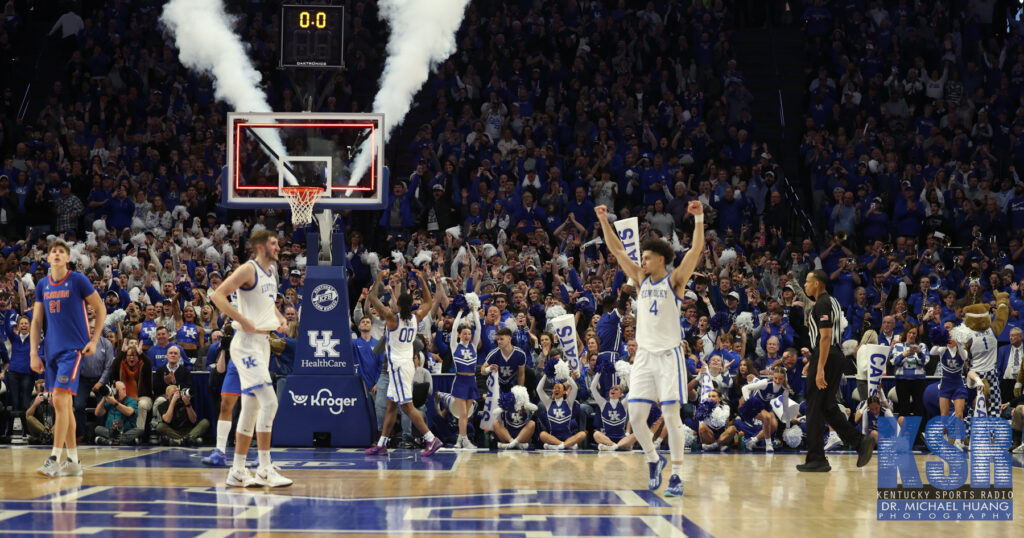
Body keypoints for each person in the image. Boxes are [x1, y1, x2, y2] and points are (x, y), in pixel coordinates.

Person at [595, 200, 704, 497]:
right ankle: (654, 460)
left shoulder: (676, 280)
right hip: (643, 356)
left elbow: (695, 252)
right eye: (641, 257)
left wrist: (698, 219)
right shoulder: (641, 281)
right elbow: (617, 250)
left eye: (646, 257)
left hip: (669, 357)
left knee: (671, 416)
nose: (641, 261)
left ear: (660, 259)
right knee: (636, 417)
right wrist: (604, 221)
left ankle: (678, 476)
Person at [210, 229, 292, 488]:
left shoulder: (272, 273)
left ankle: (237, 470)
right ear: (260, 247)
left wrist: (279, 317)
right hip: (245, 345)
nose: (278, 247)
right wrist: (240, 318)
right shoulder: (249, 269)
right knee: (270, 402)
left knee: (251, 408)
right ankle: (265, 468)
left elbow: (268, 304)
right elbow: (217, 295)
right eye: (274, 243)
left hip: (263, 344)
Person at [31, 239, 106, 478]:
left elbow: (101, 308)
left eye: (61, 251)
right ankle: (73, 461)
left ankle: (55, 457)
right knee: (61, 405)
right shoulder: (43, 284)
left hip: (73, 350)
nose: (56, 254)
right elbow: (35, 321)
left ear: (67, 258)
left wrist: (94, 341)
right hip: (50, 351)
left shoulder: (77, 280)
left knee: (62, 401)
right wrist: (34, 352)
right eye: (52, 251)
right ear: (47, 257)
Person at [800, 269, 875, 472]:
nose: (805, 285)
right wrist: (814, 362)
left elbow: (825, 338)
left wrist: (820, 368)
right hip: (833, 355)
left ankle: (817, 459)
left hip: (827, 355)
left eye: (807, 282)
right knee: (827, 407)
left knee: (814, 408)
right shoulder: (832, 301)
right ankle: (860, 442)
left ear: (817, 284)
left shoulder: (822, 303)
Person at [363, 267, 443, 457]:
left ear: (398, 305)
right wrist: (422, 279)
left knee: (407, 407)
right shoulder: (416, 317)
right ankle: (383, 443)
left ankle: (431, 439)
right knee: (391, 405)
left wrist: (378, 279)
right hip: (405, 365)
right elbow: (429, 301)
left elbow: (373, 299)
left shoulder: (392, 319)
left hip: (398, 367)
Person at [450, 307, 482, 448]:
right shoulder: (454, 346)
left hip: (471, 382)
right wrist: (459, 312)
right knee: (462, 413)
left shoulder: (473, 347)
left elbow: (479, 328)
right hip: (460, 382)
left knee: (466, 415)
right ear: (459, 335)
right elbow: (453, 328)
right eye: (464, 333)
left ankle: (459, 440)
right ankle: (465, 440)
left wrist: (475, 311)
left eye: (469, 333)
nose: (467, 336)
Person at [94, 381, 143, 445]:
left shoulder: (131, 400)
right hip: (110, 431)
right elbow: (97, 413)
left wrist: (115, 403)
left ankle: (108, 441)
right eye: (112, 391)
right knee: (97, 429)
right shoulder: (110, 401)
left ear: (124, 390)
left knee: (139, 430)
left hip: (126, 431)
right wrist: (104, 397)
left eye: (116, 390)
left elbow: (129, 412)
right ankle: (125, 442)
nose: (114, 393)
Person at [24, 379, 55, 444]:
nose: (44, 392)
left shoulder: (55, 399)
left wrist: (54, 405)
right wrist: (35, 404)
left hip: (54, 430)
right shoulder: (35, 400)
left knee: (64, 418)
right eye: (41, 389)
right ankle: (47, 434)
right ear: (37, 391)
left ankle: (49, 435)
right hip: (40, 431)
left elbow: (64, 415)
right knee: (29, 417)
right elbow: (28, 416)